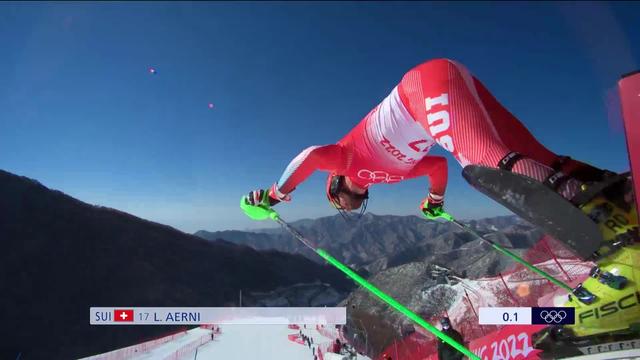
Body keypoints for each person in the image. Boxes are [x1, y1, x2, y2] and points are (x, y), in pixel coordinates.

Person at [242, 59, 635, 252]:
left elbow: (309, 156)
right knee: (533, 156)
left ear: (337, 186)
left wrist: (275, 195)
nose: (347, 204)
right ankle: (622, 199)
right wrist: (434, 201)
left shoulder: (344, 159)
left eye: (340, 200)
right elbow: (435, 165)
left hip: (423, 91)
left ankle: (607, 225)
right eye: (350, 205)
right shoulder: (390, 177)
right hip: (444, 89)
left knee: (487, 166)